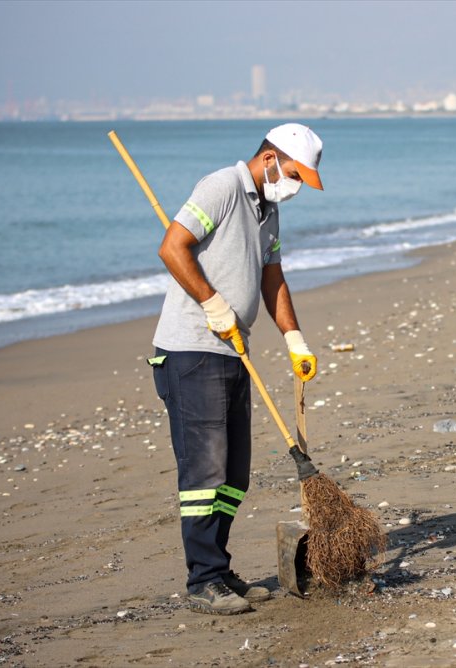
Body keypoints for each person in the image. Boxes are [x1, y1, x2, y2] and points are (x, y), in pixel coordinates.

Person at [148, 123, 323, 613]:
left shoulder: (268, 210)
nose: (294, 187)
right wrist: (211, 303)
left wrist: (294, 338)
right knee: (205, 474)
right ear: (270, 159)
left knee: (233, 476)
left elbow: (273, 277)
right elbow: (172, 246)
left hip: (232, 350)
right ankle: (203, 581)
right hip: (190, 350)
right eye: (293, 174)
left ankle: (219, 571)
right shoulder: (222, 186)